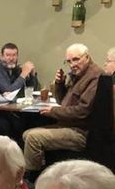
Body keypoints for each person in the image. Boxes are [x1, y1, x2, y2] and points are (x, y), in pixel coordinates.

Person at [23, 43, 103, 181]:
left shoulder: (95, 76)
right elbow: (63, 101)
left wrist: (53, 111)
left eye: (76, 59)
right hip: (68, 125)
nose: (72, 65)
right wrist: (60, 84)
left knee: (33, 138)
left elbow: (83, 111)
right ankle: (43, 172)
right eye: (69, 61)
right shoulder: (79, 75)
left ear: (87, 57)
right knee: (27, 134)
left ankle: (32, 180)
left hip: (81, 131)